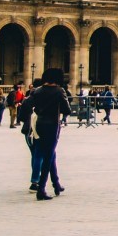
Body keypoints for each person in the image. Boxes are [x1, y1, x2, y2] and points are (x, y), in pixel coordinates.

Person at [26, 68, 69, 200]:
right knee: (49, 155)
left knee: (50, 154)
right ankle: (41, 189)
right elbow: (66, 109)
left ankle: (56, 183)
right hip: (52, 125)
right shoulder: (59, 91)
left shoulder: (36, 91)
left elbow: (27, 105)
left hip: (38, 124)